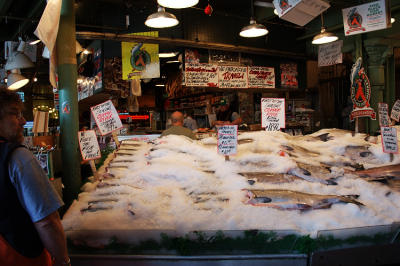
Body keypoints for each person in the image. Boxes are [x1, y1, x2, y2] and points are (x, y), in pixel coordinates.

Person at [0, 89, 70, 266]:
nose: (23, 121)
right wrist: (63, 261)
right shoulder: (18, 157)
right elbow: (47, 222)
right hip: (22, 257)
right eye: (14, 114)